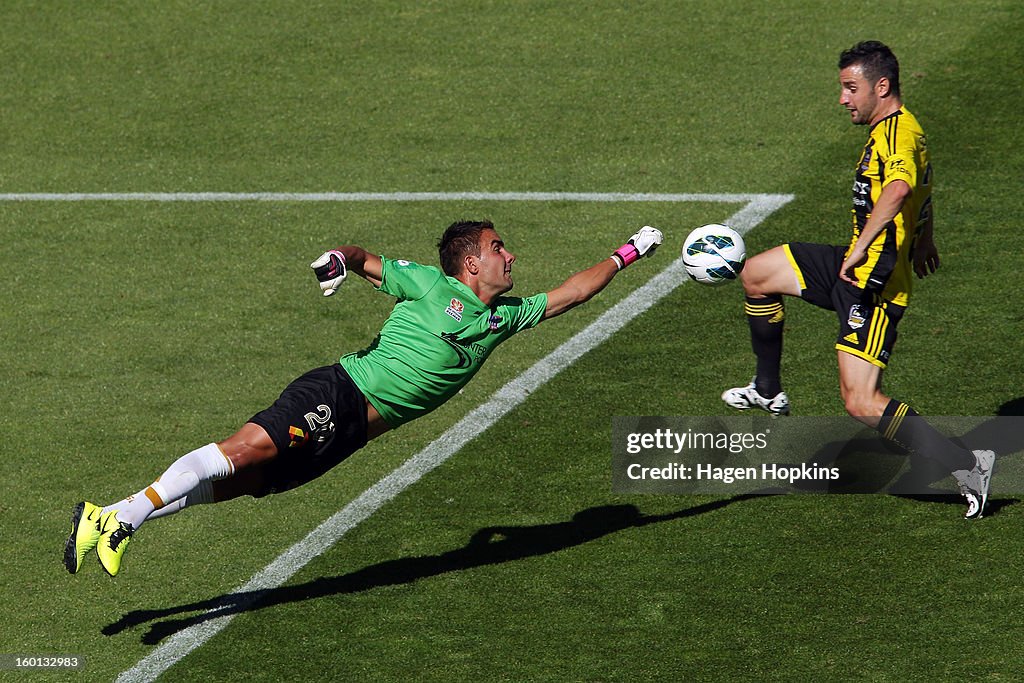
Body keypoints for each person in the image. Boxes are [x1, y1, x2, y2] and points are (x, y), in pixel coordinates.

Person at [64, 220, 664, 576]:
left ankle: (107, 516)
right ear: (471, 261)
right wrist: (337, 261)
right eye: (499, 247)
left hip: (353, 434)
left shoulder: (505, 316)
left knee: (244, 485)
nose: (511, 257)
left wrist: (629, 252)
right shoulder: (429, 283)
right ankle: (126, 517)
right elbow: (362, 259)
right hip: (339, 391)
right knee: (243, 451)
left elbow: (574, 294)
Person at [720, 40, 994, 518]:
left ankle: (967, 463)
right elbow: (923, 190)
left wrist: (867, 244)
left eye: (851, 88)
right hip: (853, 265)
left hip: (874, 283)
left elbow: (902, 187)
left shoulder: (897, 135)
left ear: (880, 87)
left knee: (861, 402)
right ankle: (767, 389)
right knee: (757, 274)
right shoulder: (899, 129)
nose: (843, 99)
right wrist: (924, 237)